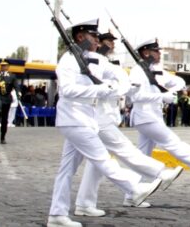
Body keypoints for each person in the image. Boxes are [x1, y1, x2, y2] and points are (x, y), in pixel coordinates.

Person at [47, 19, 162, 227]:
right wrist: (100, 90)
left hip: (85, 119)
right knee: (102, 158)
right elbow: (67, 90)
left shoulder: (89, 59)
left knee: (66, 170)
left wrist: (118, 86)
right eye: (94, 36)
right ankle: (134, 187)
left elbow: (114, 75)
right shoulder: (68, 61)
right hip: (73, 119)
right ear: (80, 37)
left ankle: (57, 214)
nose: (98, 40)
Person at [74, 30, 184, 216]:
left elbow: (120, 80)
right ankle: (158, 174)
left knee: (97, 162)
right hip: (95, 115)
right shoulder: (91, 61)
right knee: (123, 149)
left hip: (101, 115)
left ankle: (84, 203)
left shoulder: (104, 62)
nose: (112, 44)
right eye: (108, 41)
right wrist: (119, 88)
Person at [128, 38, 190, 186]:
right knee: (172, 142)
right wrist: (162, 96)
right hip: (144, 115)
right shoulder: (137, 71)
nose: (159, 53)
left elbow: (179, 81)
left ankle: (132, 192)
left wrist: (171, 91)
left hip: (154, 115)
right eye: (155, 51)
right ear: (145, 52)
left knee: (143, 155)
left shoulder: (155, 70)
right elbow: (136, 96)